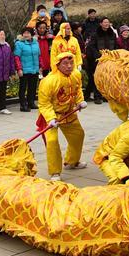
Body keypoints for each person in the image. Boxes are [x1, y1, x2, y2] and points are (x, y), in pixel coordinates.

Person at [37, 52, 87, 180]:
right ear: (57, 65)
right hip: (52, 117)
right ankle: (55, 172)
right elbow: (44, 103)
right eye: (65, 63)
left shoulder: (76, 74)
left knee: (78, 135)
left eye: (71, 63)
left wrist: (80, 101)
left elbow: (78, 88)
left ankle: (72, 161)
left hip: (69, 114)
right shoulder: (49, 81)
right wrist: (50, 118)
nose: (69, 66)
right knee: (52, 142)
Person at [85, 17, 119, 104]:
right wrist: (98, 55)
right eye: (105, 22)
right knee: (98, 78)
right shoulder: (95, 34)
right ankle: (97, 96)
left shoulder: (112, 34)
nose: (107, 24)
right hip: (99, 60)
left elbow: (115, 46)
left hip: (109, 59)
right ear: (101, 24)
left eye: (108, 22)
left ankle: (106, 96)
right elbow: (91, 47)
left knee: (107, 78)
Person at [13, 27, 40, 112]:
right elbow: (16, 57)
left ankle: (31, 102)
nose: (26, 35)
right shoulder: (19, 44)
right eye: (24, 33)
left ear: (31, 34)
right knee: (23, 87)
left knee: (32, 87)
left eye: (28, 33)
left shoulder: (36, 43)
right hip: (24, 69)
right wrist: (19, 69)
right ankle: (23, 105)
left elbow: (39, 56)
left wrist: (40, 67)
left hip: (34, 69)